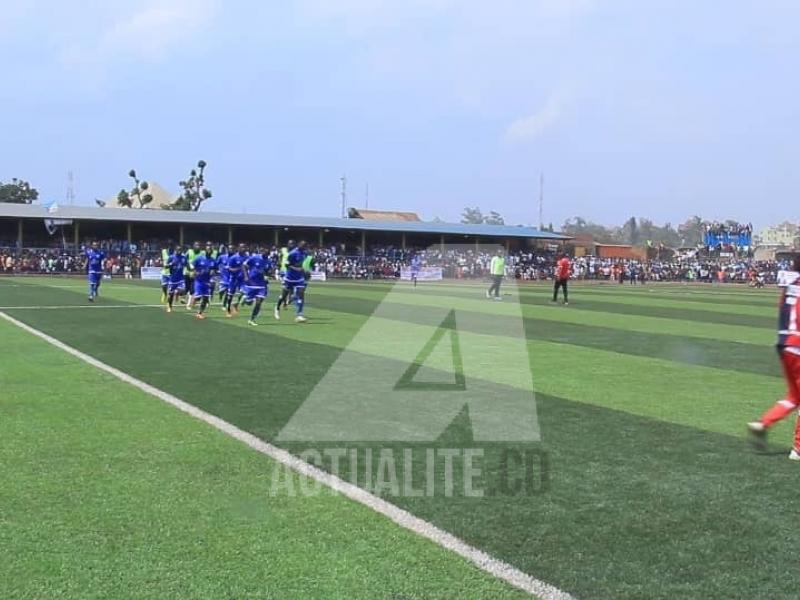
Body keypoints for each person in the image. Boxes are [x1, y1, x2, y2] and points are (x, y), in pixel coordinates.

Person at [748, 256, 800, 460]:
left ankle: (762, 423)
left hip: (784, 344)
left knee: (795, 397)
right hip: (799, 345)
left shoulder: (789, 286)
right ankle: (798, 448)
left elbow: (784, 313)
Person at [275, 240, 308, 322]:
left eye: (305, 246)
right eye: (302, 245)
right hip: (289, 278)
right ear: (299, 245)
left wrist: (304, 271)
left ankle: (299, 315)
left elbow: (302, 264)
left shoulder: (304, 253)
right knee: (283, 296)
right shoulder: (293, 253)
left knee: (301, 294)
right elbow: (287, 265)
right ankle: (277, 308)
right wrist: (297, 269)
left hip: (299, 278)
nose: (303, 247)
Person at [236, 249, 272, 326]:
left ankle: (252, 319)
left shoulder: (268, 261)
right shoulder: (254, 258)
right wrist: (246, 276)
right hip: (252, 283)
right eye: (265, 253)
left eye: (267, 254)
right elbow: (244, 265)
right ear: (262, 252)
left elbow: (269, 271)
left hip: (262, 285)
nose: (266, 255)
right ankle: (246, 299)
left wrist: (267, 275)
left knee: (259, 303)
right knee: (249, 303)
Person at [224, 244, 248, 317]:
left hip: (242, 279)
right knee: (230, 296)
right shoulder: (233, 258)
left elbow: (249, 266)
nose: (243, 248)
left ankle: (236, 304)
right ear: (238, 248)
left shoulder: (247, 257)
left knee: (245, 293)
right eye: (242, 247)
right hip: (234, 279)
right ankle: (228, 310)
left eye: (244, 247)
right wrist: (237, 269)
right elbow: (229, 268)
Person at [192, 251, 214, 320]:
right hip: (199, 281)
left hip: (207, 282)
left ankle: (199, 313)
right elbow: (192, 266)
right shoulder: (199, 258)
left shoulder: (213, 260)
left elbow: (214, 269)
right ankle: (193, 300)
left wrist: (213, 273)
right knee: (198, 297)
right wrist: (196, 272)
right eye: (208, 249)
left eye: (210, 249)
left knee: (205, 298)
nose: (209, 250)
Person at [165, 246, 188, 313]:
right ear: (175, 250)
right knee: (171, 294)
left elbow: (187, 265)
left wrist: (193, 268)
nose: (179, 251)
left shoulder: (184, 258)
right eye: (178, 250)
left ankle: (178, 294)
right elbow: (166, 266)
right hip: (172, 279)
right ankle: (169, 306)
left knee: (183, 289)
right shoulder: (171, 257)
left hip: (181, 278)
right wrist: (171, 264)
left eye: (180, 250)